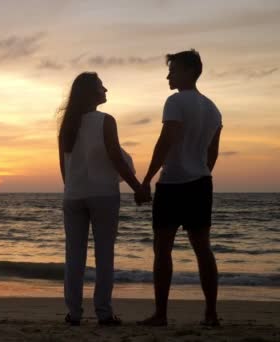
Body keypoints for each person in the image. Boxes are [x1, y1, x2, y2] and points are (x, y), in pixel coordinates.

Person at [136, 49, 223, 327]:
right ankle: (210, 314)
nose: (168, 75)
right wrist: (200, 172)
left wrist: (147, 178)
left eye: (172, 70)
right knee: (203, 249)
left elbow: (166, 141)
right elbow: (213, 154)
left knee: (163, 249)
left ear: (188, 71)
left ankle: (161, 314)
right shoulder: (213, 109)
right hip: (200, 182)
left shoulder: (174, 102)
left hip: (173, 183)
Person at [58, 72, 142, 326]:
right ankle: (103, 313)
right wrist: (137, 187)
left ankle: (74, 314)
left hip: (73, 195)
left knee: (74, 257)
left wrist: (73, 188)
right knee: (104, 255)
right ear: (91, 93)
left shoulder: (67, 126)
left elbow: (64, 168)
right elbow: (115, 156)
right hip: (103, 193)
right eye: (101, 87)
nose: (106, 90)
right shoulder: (106, 120)